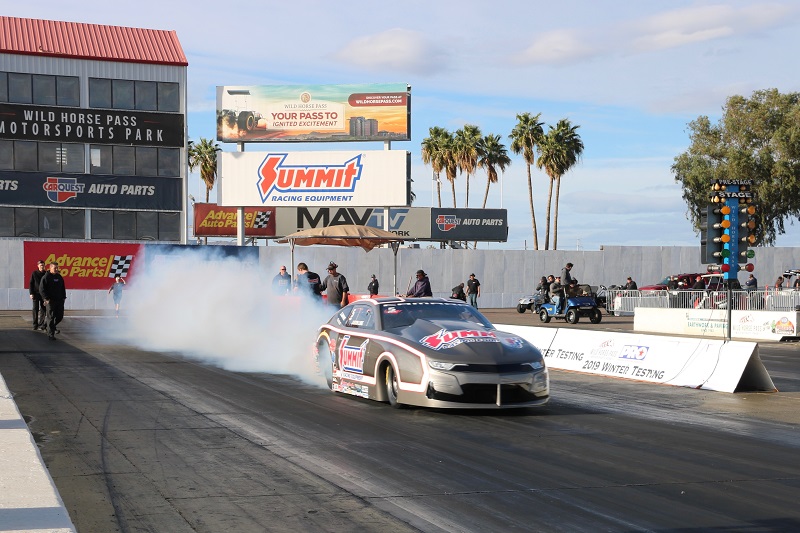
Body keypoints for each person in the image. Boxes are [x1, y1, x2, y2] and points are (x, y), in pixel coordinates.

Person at [39, 262, 66, 341]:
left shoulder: (59, 277)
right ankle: (51, 334)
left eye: (57, 268)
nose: (57, 269)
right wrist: (46, 298)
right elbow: (41, 289)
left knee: (59, 317)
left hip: (59, 300)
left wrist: (63, 297)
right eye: (55, 268)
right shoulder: (46, 277)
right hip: (50, 301)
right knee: (51, 317)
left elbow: (62, 288)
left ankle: (48, 326)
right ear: (50, 268)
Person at [28, 259, 47, 331]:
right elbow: (31, 283)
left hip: (43, 294)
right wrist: (31, 293)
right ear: (38, 266)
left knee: (43, 309)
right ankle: (35, 324)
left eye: (43, 265)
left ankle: (41, 324)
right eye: (41, 265)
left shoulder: (46, 274)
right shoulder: (34, 273)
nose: (42, 266)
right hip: (36, 293)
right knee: (35, 309)